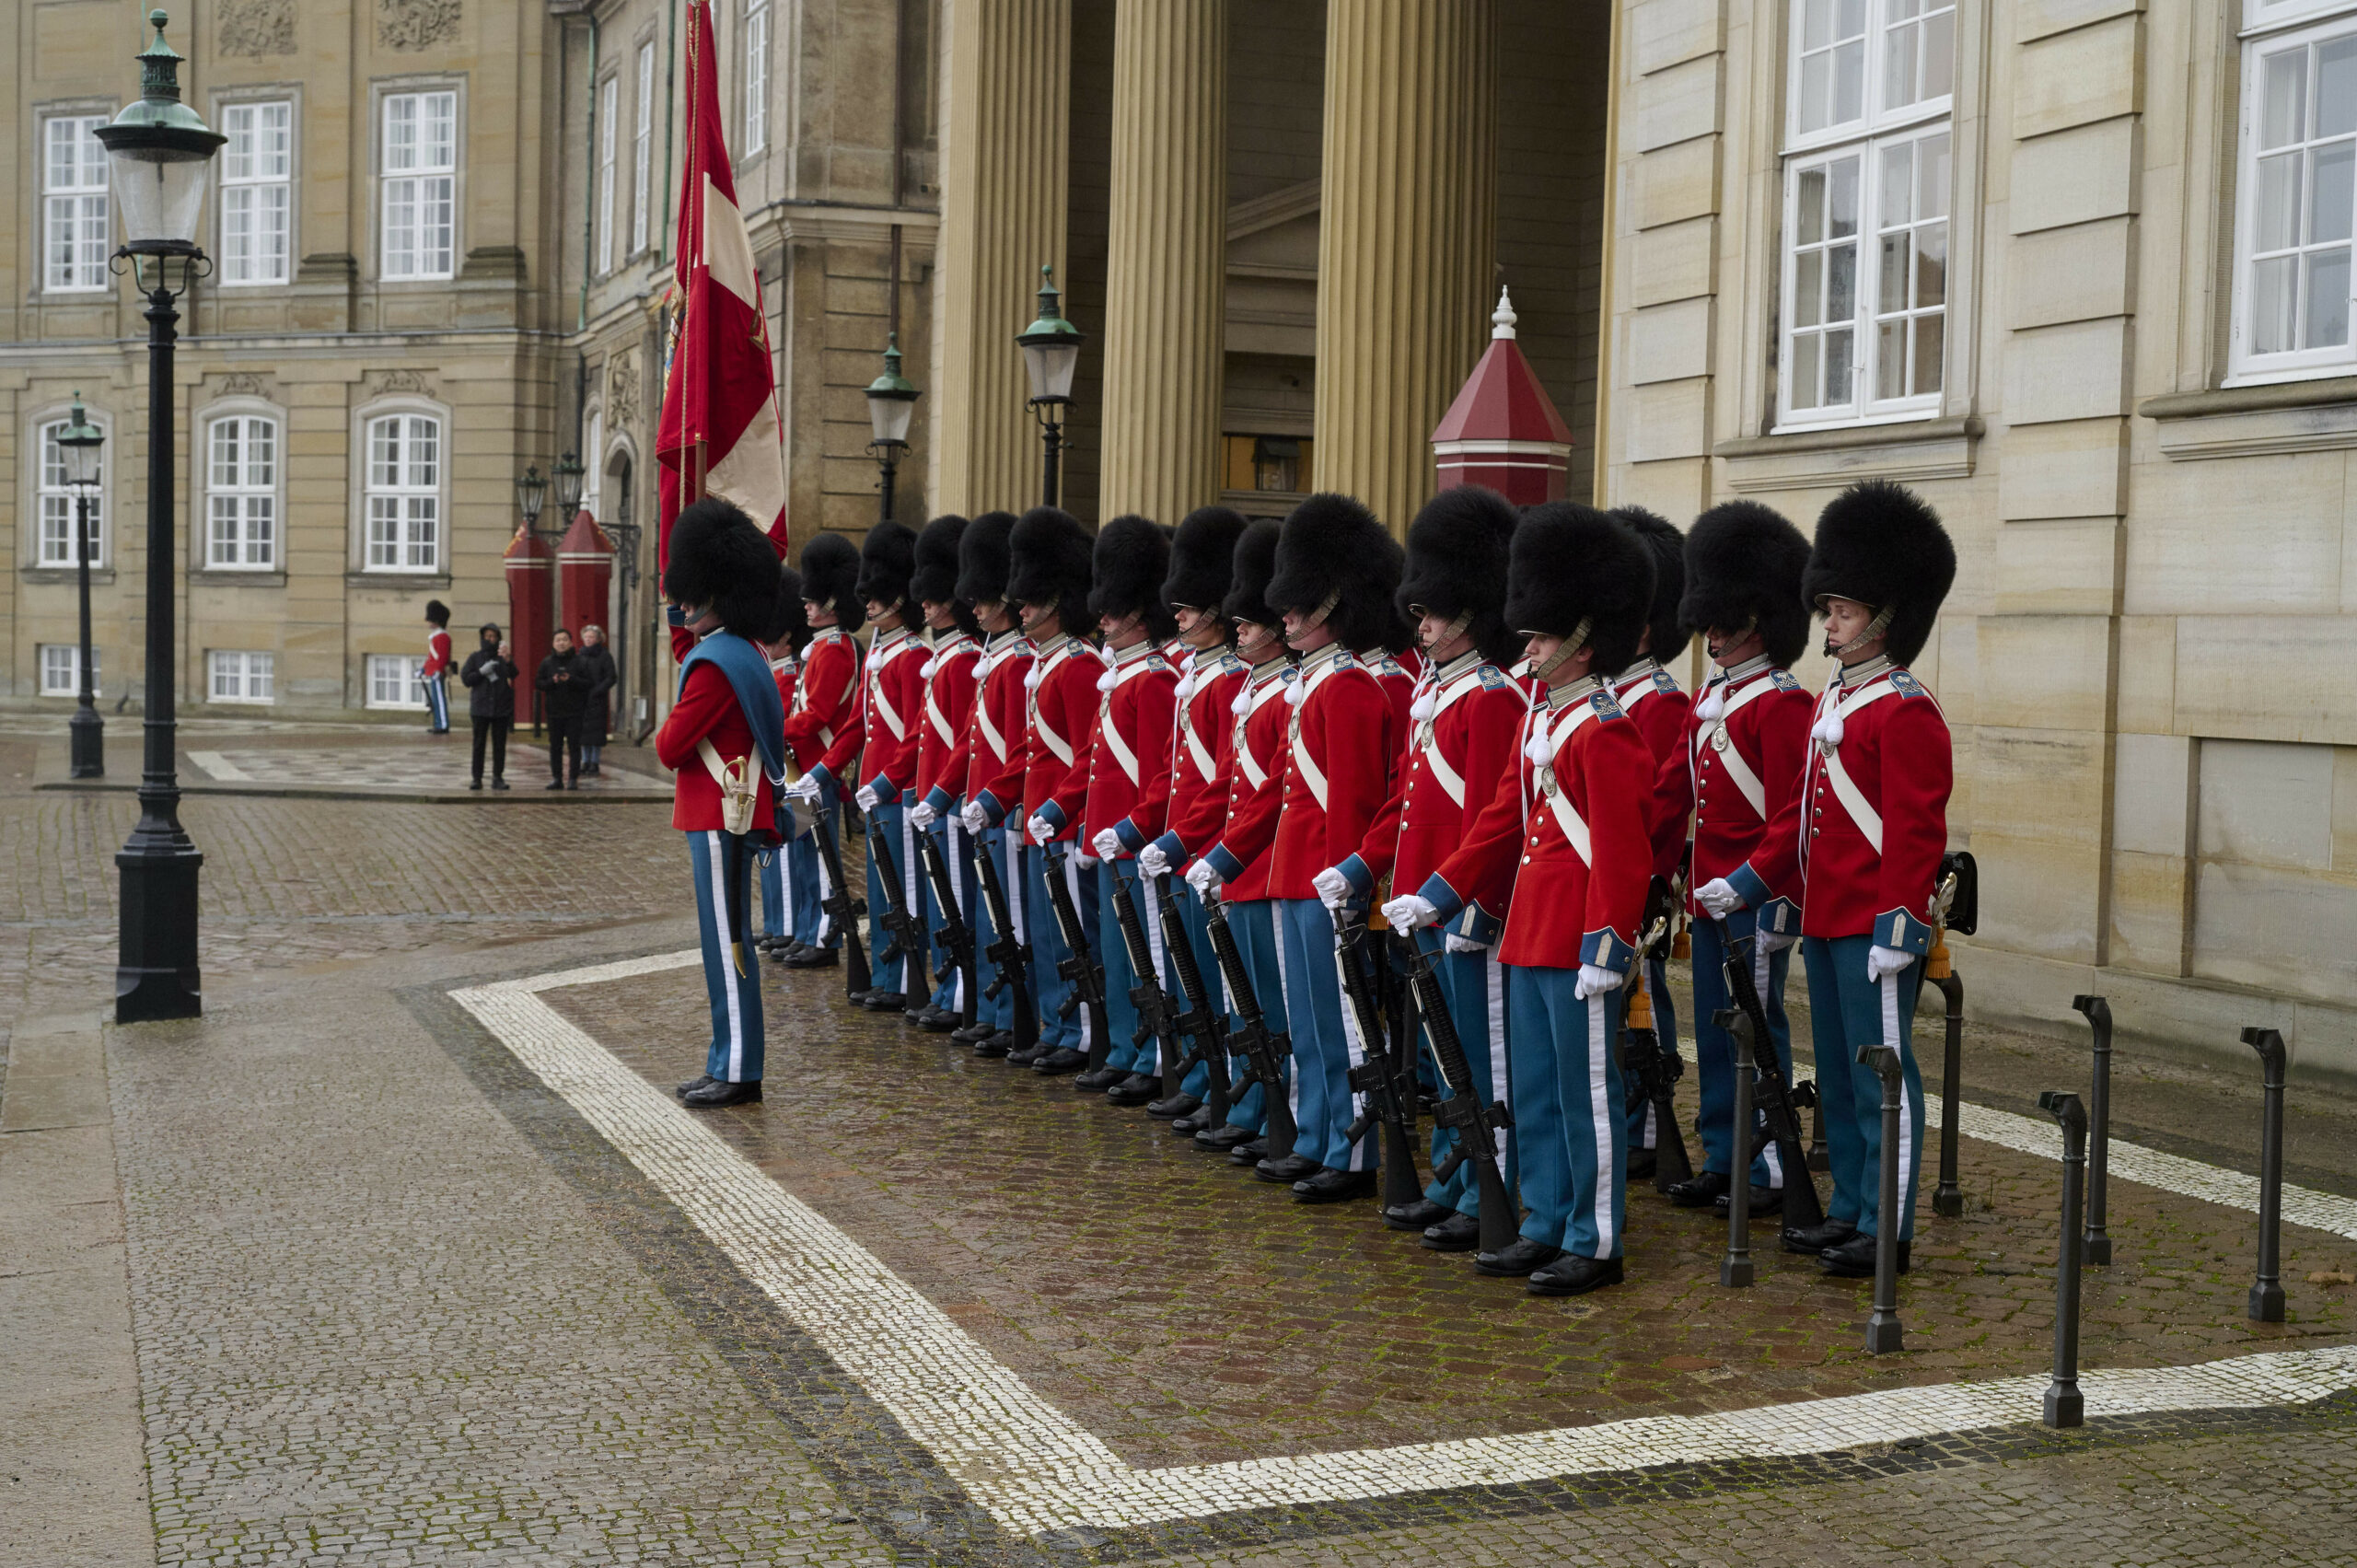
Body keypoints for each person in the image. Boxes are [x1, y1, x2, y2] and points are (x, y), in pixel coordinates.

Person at [1386, 502, 1658, 1297]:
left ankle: (1594, 1238)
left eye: (1539, 636)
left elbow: (1621, 853)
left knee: (1588, 1098)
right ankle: (1542, 1218)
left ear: (1579, 637)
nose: (1526, 648)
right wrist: (1435, 894)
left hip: (1578, 941)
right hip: (1531, 936)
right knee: (1538, 1095)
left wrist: (1608, 946)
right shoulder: (1545, 718)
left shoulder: (1605, 729)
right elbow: (1503, 821)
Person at [1700, 480, 1956, 1279]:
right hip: (1824, 917)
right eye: (1829, 611)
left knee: (1886, 1076)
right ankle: (1849, 1205)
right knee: (1841, 1080)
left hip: (1874, 926)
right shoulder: (1834, 703)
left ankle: (1890, 1224)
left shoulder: (1906, 709)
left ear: (1884, 617)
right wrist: (1750, 884)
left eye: (1843, 612)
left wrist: (1899, 927)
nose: (1831, 625)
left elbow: (1916, 833)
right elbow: (1802, 820)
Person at [1321, 485, 1526, 1249]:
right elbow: (1404, 804)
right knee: (1446, 1057)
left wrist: (1457, 902)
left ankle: (1488, 1181)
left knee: (1480, 1058)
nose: (1423, 623)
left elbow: (1490, 822)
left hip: (1463, 908)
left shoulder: (1491, 698)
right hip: (1422, 902)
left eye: (1435, 612)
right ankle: (1457, 1174)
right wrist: (1362, 868)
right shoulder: (1441, 693)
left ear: (1469, 611)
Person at [1190, 494, 1404, 1205]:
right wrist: (1224, 858)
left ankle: (1347, 1148)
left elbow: (1352, 799)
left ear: (1330, 602)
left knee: (1337, 1022)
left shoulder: (1348, 687)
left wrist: (1345, 878)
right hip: (1291, 872)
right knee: (1306, 1021)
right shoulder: (1308, 684)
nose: (1282, 615)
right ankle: (1315, 1135)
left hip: (1323, 878)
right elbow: (1280, 792)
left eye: (1296, 604)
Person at [1652, 502, 1816, 1219]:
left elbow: (1791, 817)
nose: (1712, 632)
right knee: (1717, 1030)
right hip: (1711, 895)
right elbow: (1672, 790)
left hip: (1753, 897)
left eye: (1725, 619)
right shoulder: (1714, 694)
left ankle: (1773, 1161)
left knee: (1756, 1026)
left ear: (1759, 619)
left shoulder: (1781, 703)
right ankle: (1725, 1153)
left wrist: (1761, 893)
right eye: (1709, 618)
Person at [1144, 518, 1295, 1156]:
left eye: (1248, 618)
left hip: (1265, 865)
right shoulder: (1251, 685)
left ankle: (1271, 1109)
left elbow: (1264, 794)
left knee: (1270, 1009)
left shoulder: (1274, 687)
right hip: (1233, 862)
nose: (1240, 625)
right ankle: (1244, 1096)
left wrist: (1207, 849)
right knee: (1234, 997)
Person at [655, 498, 789, 1109]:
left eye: (690, 593)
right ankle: (725, 1057)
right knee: (727, 939)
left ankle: (737, 1067)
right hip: (734, 811)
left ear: (712, 590)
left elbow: (669, 746)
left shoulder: (712, 663)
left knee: (727, 943)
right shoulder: (747, 652)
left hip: (718, 814)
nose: (682, 605)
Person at [1120, 505, 1250, 1124]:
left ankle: (1222, 1083)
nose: (1178, 615)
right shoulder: (1198, 672)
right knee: (1188, 971)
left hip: (1210, 848)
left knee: (1217, 983)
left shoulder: (1226, 679)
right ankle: (1202, 1076)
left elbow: (1224, 780)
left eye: (1190, 607)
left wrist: (1182, 840)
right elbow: (1178, 771)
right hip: (1185, 843)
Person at [1062, 514, 1179, 1106]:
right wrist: (1069, 815)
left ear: (1137, 611)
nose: (1101, 617)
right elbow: (1093, 763)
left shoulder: (1155, 680)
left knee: (1146, 958)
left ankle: (1156, 1057)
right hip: (1109, 840)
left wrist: (1136, 832)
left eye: (1113, 608)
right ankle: (1129, 1051)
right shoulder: (1123, 676)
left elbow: (1162, 771)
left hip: (1138, 843)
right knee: (1116, 952)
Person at [978, 506, 1100, 1074]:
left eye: (1029, 599)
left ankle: (1079, 1030)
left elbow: (1087, 759)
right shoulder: (1046, 663)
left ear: (1054, 601)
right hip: (1039, 821)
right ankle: (1058, 1025)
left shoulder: (1077, 667)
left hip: (1065, 823)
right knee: (1044, 935)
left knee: (1070, 937)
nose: (1019, 607)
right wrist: (1000, 799)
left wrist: (1053, 811)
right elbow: (1030, 754)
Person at [1608, 506, 1695, 1179]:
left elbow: (1663, 805)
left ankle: (1647, 1120)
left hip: (1638, 881)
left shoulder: (1660, 701)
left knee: (1645, 1004)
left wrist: (1640, 881)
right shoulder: (1609, 694)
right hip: (1607, 875)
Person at [935, 513, 1033, 1055]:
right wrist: (948, 796)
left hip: (1010, 813)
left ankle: (1015, 1015)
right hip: (985, 807)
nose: (972, 607)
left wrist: (995, 801)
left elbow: (1023, 745)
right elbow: (973, 739)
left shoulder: (1017, 661)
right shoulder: (996, 656)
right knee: (990, 916)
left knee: (1012, 919)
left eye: (982, 597)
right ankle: (997, 1013)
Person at [904, 515, 981, 1032]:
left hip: (953, 802)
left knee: (957, 906)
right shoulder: (948, 656)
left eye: (933, 598)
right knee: (938, 903)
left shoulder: (961, 659)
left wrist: (940, 793)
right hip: (937, 798)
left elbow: (964, 742)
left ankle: (960, 990)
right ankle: (949, 984)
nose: (925, 606)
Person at [846, 520, 926, 1012]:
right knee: (879, 891)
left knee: (902, 889)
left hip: (896, 791)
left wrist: (885, 781)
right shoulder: (881, 652)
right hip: (876, 791)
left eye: (878, 595)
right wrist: (827, 771)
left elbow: (915, 734)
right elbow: (859, 724)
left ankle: (904, 975)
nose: (868, 603)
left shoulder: (914, 654)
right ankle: (886, 970)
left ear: (898, 598)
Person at [779, 533, 867, 969]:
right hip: (803, 769)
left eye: (814, 599)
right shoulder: (821, 647)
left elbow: (815, 715)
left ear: (832, 601)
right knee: (803, 855)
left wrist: (774, 730)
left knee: (820, 857)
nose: (806, 604)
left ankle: (824, 935)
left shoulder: (835, 650)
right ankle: (808, 928)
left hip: (819, 769)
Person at [756, 571, 812, 957]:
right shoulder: (775, 668)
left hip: (792, 770)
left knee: (790, 851)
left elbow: (786, 719)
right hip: (776, 769)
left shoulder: (790, 670)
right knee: (772, 854)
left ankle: (790, 925)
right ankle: (778, 922)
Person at [459, 621, 517, 790]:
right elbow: (466, 679)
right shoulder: (475, 657)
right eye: (487, 637)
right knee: (479, 744)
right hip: (480, 707)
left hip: (500, 708)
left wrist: (508, 660)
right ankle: (476, 778)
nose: (490, 639)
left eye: (493, 636)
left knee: (499, 745)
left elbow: (514, 674)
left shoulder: (502, 657)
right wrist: (480, 672)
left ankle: (497, 777)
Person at [536, 629, 588, 789]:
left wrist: (571, 679)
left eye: (564, 640)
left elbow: (588, 683)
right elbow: (539, 683)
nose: (561, 643)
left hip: (575, 711)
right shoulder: (547, 662)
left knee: (574, 746)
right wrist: (552, 681)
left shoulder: (580, 661)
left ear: (571, 642)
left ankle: (573, 778)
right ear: (553, 643)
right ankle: (557, 778)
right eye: (558, 640)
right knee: (555, 746)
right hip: (554, 712)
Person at [577, 623, 619, 777]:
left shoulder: (604, 655)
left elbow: (611, 677)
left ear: (598, 639)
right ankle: (584, 761)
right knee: (583, 733)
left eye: (591, 637)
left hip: (597, 700)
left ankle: (594, 762)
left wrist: (597, 691)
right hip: (582, 700)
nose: (588, 639)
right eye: (586, 637)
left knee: (596, 734)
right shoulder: (580, 655)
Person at [420, 599, 454, 735]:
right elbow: (431, 657)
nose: (429, 623)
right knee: (435, 700)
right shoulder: (436, 637)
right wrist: (423, 669)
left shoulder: (443, 637)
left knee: (439, 700)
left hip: (437, 673)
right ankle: (438, 723)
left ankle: (443, 725)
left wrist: (438, 671)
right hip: (433, 672)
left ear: (437, 621)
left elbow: (442, 657)